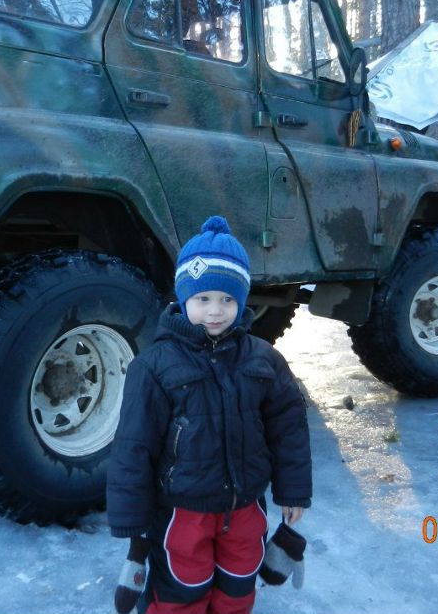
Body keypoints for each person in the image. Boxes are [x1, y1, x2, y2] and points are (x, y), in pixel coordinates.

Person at [108, 215, 312, 614]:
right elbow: (134, 444)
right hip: (182, 510)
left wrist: (293, 491)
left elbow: (288, 429)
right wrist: (132, 520)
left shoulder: (263, 360)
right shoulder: (154, 366)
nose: (215, 311)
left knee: (239, 582)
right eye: (203, 299)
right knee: (182, 586)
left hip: (245, 508)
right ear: (183, 300)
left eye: (228, 299)